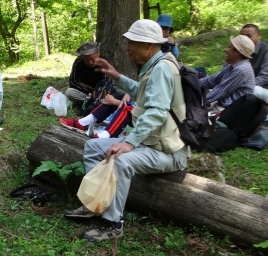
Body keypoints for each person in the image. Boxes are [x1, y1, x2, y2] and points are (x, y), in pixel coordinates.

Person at [64, 19, 189, 242]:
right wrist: (116, 76)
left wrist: (129, 142)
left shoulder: (162, 68)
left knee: (121, 160)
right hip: (151, 142)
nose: (127, 47)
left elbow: (157, 112)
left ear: (148, 45)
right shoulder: (157, 64)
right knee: (93, 146)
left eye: (132, 43)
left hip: (167, 151)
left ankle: (113, 224)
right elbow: (142, 92)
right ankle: (95, 203)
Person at [198, 35, 256, 111]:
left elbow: (220, 91)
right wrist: (192, 83)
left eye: (229, 47)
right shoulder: (233, 65)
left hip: (230, 110)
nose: (225, 50)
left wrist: (199, 102)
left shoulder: (240, 70)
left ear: (237, 52)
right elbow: (213, 80)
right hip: (222, 106)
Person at [241, 24, 268, 104]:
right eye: (242, 36)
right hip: (240, 86)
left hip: (265, 89)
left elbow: (264, 77)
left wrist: (241, 86)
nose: (245, 39)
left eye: (249, 36)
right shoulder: (237, 50)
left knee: (253, 91)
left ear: (259, 36)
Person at [65, 42, 108, 113]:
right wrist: (90, 91)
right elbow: (73, 82)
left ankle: (92, 103)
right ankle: (96, 103)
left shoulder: (104, 62)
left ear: (98, 53)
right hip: (87, 93)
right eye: (86, 60)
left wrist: (98, 92)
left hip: (102, 92)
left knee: (121, 91)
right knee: (69, 92)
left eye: (92, 59)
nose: (90, 62)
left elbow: (106, 81)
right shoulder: (79, 62)